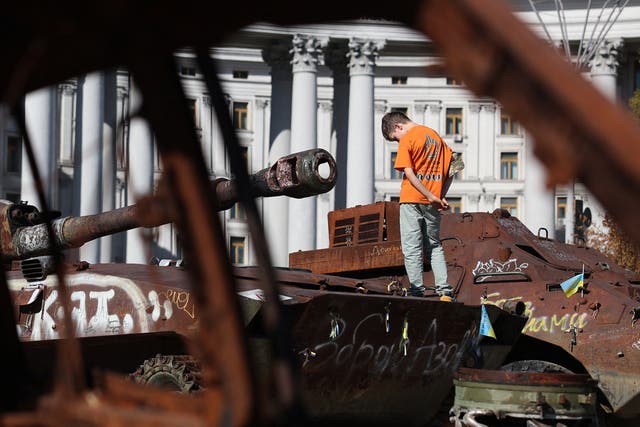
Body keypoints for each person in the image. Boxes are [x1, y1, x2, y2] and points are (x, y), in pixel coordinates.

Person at [381, 111, 455, 299]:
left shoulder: (408, 138)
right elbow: (453, 168)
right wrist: (438, 196)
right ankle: (444, 291)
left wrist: (430, 195)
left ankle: (416, 292)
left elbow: (409, 172)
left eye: (394, 138)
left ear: (398, 126)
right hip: (432, 203)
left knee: (412, 247)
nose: (397, 141)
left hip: (411, 199)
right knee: (434, 245)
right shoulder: (435, 136)